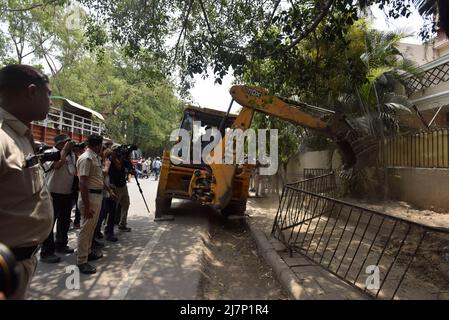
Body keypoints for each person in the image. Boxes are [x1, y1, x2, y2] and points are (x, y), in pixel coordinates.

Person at [0, 64, 54, 299]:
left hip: (23, 261)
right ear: (32, 91)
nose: (51, 102)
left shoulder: (20, 135)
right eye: (48, 94)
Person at [40, 134, 77, 263]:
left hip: (66, 193)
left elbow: (73, 171)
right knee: (50, 224)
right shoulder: (50, 153)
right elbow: (56, 166)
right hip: (52, 193)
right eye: (67, 143)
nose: (69, 145)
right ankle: (46, 252)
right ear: (60, 144)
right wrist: (64, 151)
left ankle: (61, 244)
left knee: (64, 221)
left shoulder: (71, 154)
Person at [76, 134, 104, 274]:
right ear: (98, 145)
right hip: (90, 197)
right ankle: (82, 261)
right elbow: (82, 182)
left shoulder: (94, 157)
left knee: (91, 228)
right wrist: (87, 206)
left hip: (96, 196)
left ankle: (87, 252)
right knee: (86, 229)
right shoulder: (86, 158)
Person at [109, 145, 132, 232]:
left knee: (126, 204)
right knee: (113, 208)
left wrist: (127, 155)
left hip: (123, 185)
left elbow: (129, 166)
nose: (120, 152)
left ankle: (122, 224)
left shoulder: (123, 159)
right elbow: (118, 167)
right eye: (117, 150)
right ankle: (109, 228)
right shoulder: (111, 159)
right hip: (116, 186)